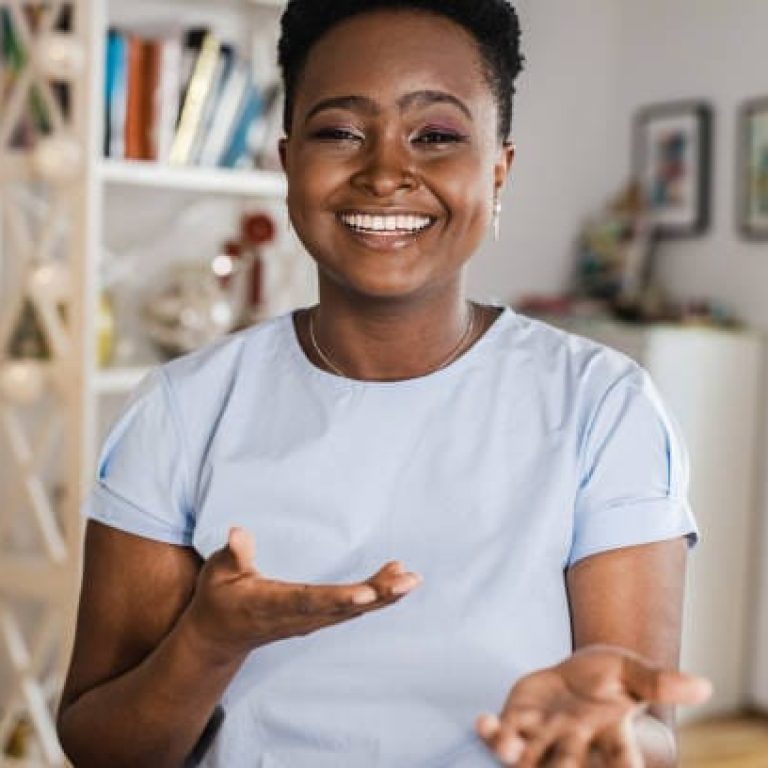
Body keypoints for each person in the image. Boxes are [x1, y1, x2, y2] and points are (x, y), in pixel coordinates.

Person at [57, 1, 711, 765]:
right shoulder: (182, 409)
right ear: (288, 159)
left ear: (497, 169)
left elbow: (647, 736)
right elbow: (99, 745)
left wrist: (609, 735)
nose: (386, 173)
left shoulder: (603, 405)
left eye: (436, 136)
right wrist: (207, 641)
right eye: (339, 132)